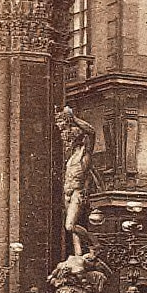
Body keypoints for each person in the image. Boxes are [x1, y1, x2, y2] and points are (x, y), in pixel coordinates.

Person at [55, 106, 98, 256]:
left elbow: (91, 131)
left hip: (77, 194)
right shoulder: (70, 157)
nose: (68, 141)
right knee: (73, 231)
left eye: (71, 138)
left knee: (70, 226)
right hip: (67, 193)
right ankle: (78, 255)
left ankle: (95, 244)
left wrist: (73, 119)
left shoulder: (84, 154)